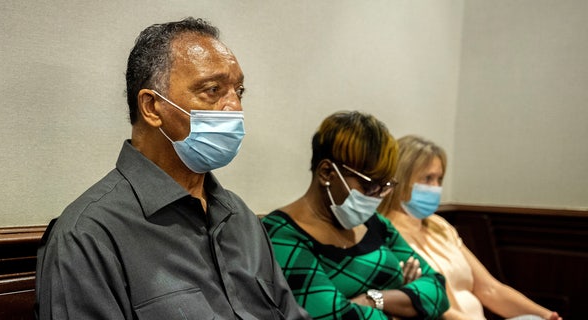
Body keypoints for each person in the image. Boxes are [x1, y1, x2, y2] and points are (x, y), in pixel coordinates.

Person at [35, 17, 310, 320]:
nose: (235, 108)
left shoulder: (240, 217)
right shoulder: (87, 237)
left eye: (239, 91)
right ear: (152, 107)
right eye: (213, 90)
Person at [261, 111, 449, 319]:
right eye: (370, 185)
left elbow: (437, 289)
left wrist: (373, 299)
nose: (378, 196)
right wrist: (406, 302)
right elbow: (335, 316)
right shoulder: (281, 235)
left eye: (385, 186)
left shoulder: (374, 224)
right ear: (326, 173)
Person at [378, 134, 562, 320]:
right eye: (427, 179)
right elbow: (428, 305)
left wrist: (546, 315)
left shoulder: (439, 226)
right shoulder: (385, 234)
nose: (435, 187)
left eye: (439, 179)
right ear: (400, 179)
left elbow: (490, 289)